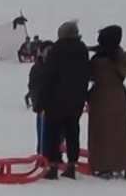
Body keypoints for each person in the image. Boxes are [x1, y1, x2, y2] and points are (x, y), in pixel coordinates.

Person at [36, 21, 91, 179]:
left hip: (56, 100)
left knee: (53, 133)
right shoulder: (82, 49)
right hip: (75, 100)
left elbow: (49, 76)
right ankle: (71, 165)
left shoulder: (57, 49)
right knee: (73, 131)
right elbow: (85, 74)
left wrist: (41, 102)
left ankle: (52, 166)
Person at [86, 25, 126, 179]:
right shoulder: (121, 57)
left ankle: (104, 166)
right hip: (119, 95)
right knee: (121, 132)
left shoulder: (98, 59)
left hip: (100, 95)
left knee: (101, 132)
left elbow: (89, 75)